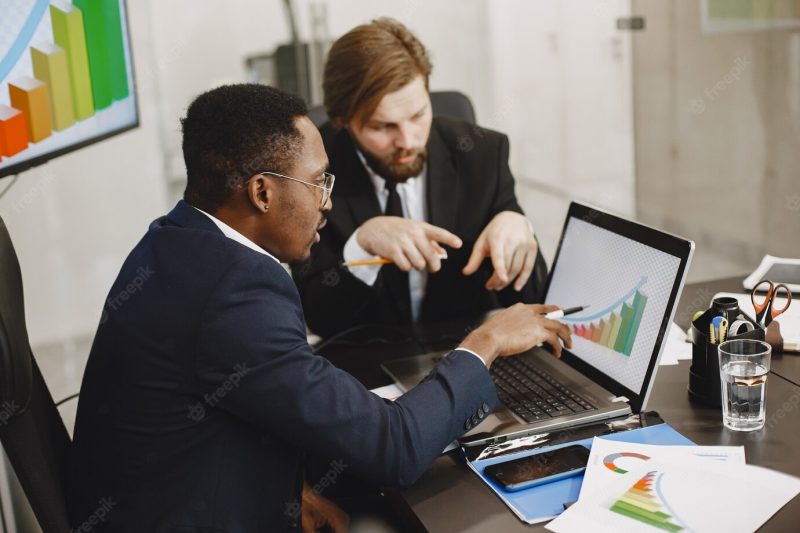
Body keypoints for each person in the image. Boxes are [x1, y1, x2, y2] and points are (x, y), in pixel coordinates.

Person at [67, 84, 571, 532]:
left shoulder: (175, 239)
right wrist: (488, 341)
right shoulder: (235, 292)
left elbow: (223, 412)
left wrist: (293, 493)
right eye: (317, 182)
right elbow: (394, 448)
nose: (326, 202)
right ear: (262, 192)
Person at [293, 18, 548, 339]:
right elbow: (320, 319)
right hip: (365, 370)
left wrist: (520, 230)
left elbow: (534, 304)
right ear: (344, 120)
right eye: (383, 127)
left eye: (417, 116)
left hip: (466, 352)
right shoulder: (314, 173)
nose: (408, 140)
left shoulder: (481, 154)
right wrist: (360, 246)